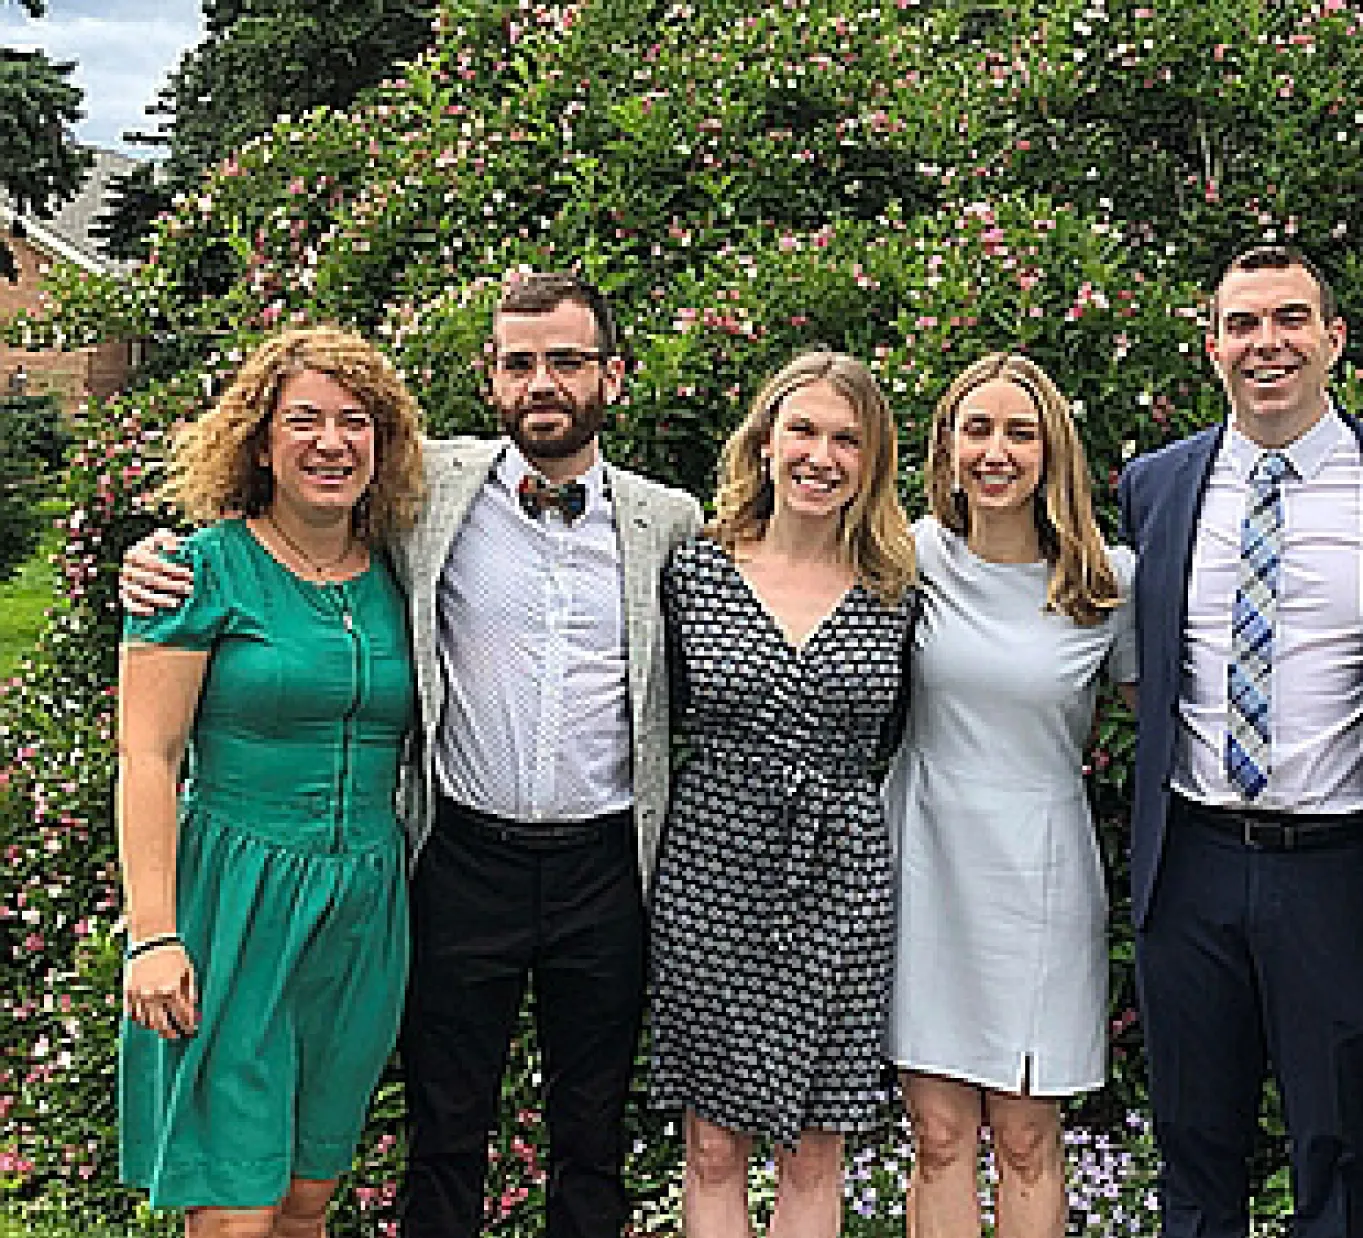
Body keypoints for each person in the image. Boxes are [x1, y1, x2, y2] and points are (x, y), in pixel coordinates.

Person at [121, 273, 705, 1238]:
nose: (542, 383)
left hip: (592, 867)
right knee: (437, 1133)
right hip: (448, 862)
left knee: (583, 1136)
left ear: (614, 374)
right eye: (520, 363)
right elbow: (152, 744)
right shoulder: (433, 498)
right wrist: (152, 552)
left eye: (565, 361)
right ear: (491, 378)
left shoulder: (666, 524)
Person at [1116, 244, 1363, 1238]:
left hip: (1338, 867)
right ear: (1210, 347)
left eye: (1288, 319)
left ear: (1332, 338)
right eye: (1241, 324)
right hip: (1187, 859)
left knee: (1337, 1151)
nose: (1264, 343)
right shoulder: (1155, 484)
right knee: (1193, 1145)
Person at [116, 326, 426, 1236]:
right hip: (233, 906)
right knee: (234, 1208)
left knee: (303, 1202)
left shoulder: (401, 575)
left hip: (364, 912)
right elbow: (147, 758)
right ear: (259, 440)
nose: (332, 443)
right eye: (304, 421)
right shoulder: (194, 571)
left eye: (356, 422)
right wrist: (153, 933)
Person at [649, 350, 916, 1238]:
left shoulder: (898, 590)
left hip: (842, 876)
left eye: (848, 439)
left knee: (814, 1147)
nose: (821, 456)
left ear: (872, 460)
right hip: (711, 869)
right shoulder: (692, 572)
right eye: (803, 430)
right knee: (714, 1146)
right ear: (765, 443)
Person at [886, 353, 1138, 1238]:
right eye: (977, 429)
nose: (997, 451)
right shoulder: (905, 558)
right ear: (948, 445)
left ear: (1051, 452)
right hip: (923, 859)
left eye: (1019, 432)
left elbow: (1165, 715)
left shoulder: (1109, 581)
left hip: (1041, 873)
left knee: (1028, 1139)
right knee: (940, 1134)